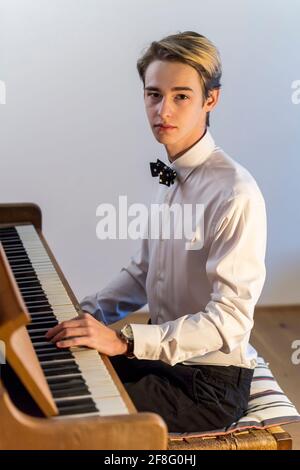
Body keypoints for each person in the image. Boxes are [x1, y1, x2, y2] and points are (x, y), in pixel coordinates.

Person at [45, 31, 267, 433]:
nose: (163, 109)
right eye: (153, 94)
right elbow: (143, 273)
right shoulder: (172, 177)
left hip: (207, 386)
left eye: (181, 96)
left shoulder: (236, 193)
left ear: (210, 100)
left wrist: (127, 342)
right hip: (165, 360)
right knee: (36, 372)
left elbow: (230, 319)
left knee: (57, 407)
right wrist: (84, 314)